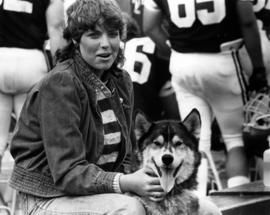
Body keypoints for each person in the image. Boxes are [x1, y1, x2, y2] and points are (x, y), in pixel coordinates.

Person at [9, 0, 221, 214]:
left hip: (99, 192)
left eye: (113, 34)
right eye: (94, 35)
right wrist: (126, 182)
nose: (106, 44)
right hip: (46, 197)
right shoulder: (60, 84)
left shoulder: (120, 80)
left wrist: (151, 181)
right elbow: (68, 173)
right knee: (131, 209)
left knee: (204, 208)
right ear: (75, 39)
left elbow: (127, 154)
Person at [143, 0, 268, 194]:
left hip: (182, 64)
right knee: (235, 140)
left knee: (195, 141)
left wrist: (176, 49)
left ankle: (195, 203)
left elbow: (149, 26)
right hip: (223, 60)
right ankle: (240, 203)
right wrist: (258, 67)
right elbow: (248, 23)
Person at [0, 0, 66, 168]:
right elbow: (56, 28)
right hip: (32, 63)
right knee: (29, 142)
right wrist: (61, 69)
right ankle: (23, 192)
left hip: (1, 59)